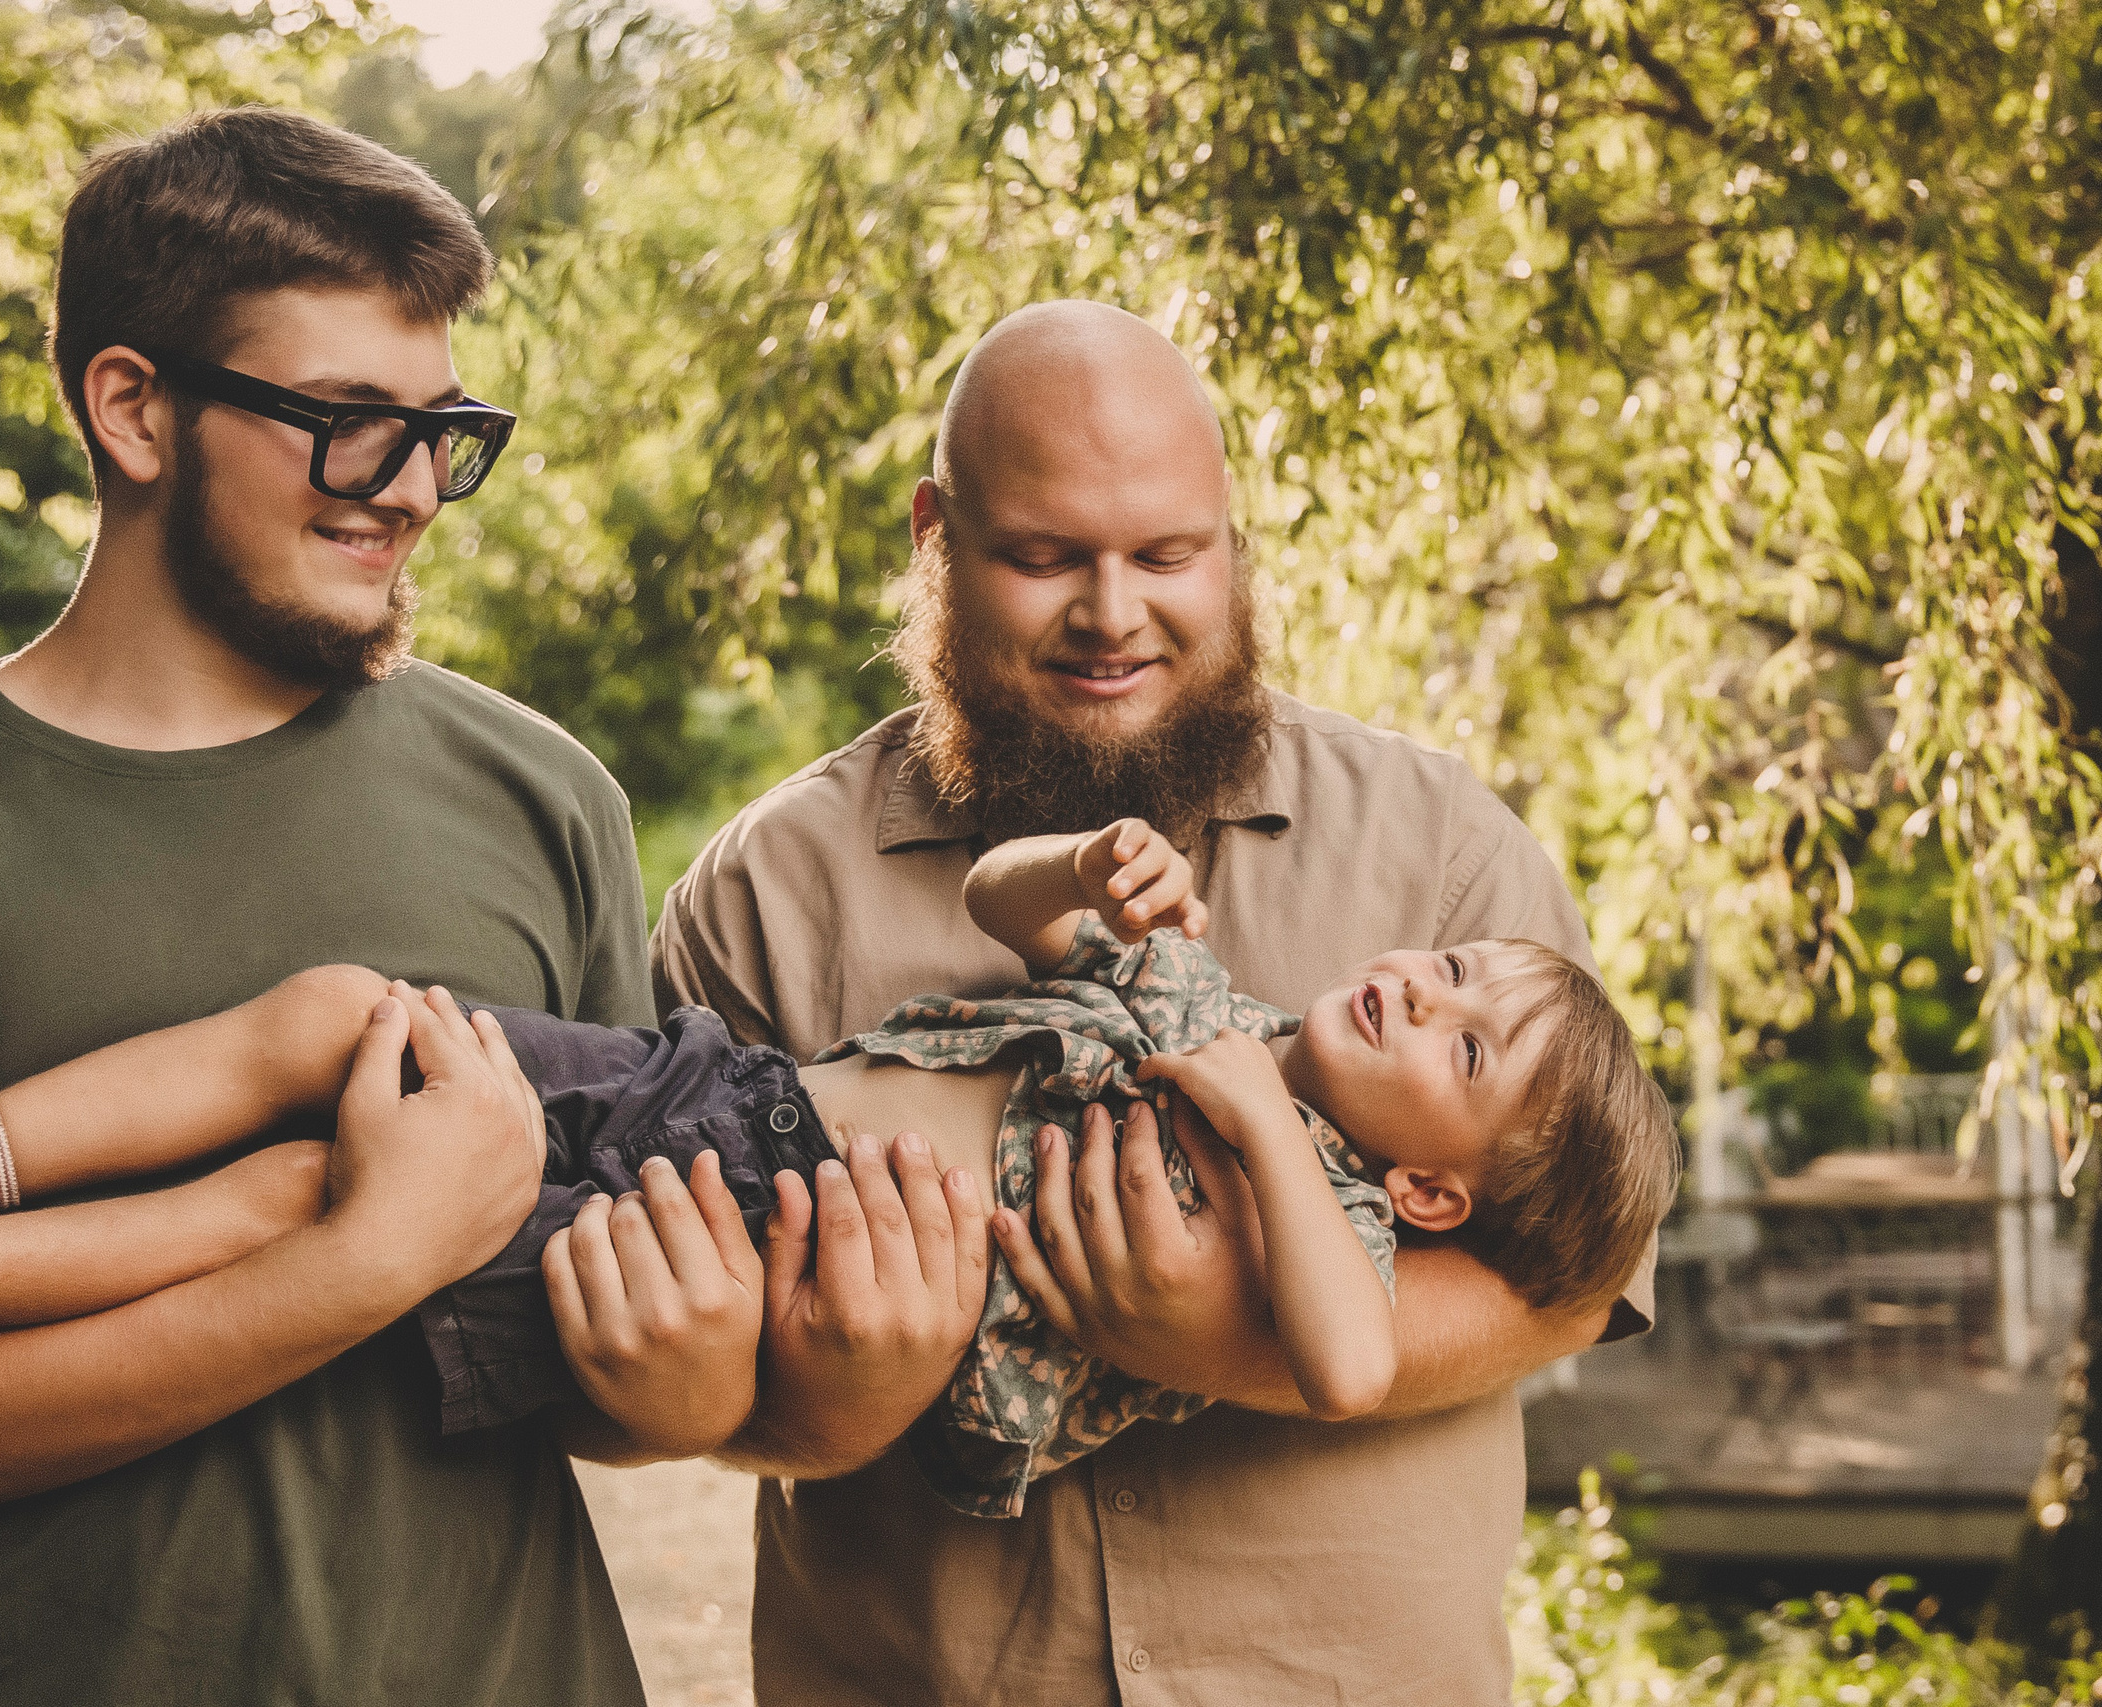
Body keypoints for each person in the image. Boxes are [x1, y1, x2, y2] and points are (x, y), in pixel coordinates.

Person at [0, 107, 738, 1707]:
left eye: (441, 428)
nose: (409, 492)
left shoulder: (547, 798)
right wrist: (358, 1260)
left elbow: (592, 1373)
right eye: (346, 421)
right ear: (134, 409)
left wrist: (701, 1372)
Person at [651, 299, 1662, 1704]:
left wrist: (1215, 1337)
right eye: (1047, 557)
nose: (1113, 615)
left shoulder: (1447, 858)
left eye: (1168, 555)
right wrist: (830, 1396)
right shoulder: (770, 886)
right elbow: (671, 1363)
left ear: (1231, 544)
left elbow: (1572, 1280)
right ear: (935, 535)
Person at [0, 822, 1673, 1523]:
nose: (1429, 977)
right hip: (717, 1089)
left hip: (741, 1238)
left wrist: (1238, 1103)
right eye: (1461, 965)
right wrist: (1080, 873)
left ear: (1430, 1195)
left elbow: (1333, 1361)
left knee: (323, 1209)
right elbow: (992, 898)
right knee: (342, 1026)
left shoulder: (1319, 1210)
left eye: (1469, 1035)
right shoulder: (1211, 982)